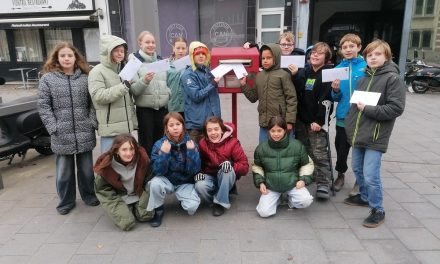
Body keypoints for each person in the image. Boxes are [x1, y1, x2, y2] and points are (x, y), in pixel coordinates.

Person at [344, 39, 405, 228]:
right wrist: (349, 124)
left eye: (377, 54)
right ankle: (364, 197)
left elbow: (396, 108)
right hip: (358, 133)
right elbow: (355, 107)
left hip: (376, 136)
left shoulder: (393, 79)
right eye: (369, 55)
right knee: (357, 169)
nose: (372, 57)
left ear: (386, 56)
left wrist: (368, 109)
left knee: (371, 175)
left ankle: (378, 209)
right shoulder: (364, 77)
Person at [38, 42, 99, 215]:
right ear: (57, 58)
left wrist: (92, 122)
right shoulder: (47, 79)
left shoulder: (86, 77)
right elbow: (43, 106)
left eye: (69, 55)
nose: (66, 58)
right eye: (62, 55)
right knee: (64, 172)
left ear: (75, 58)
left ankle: (89, 195)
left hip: (84, 130)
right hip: (61, 133)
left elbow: (93, 103)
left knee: (86, 170)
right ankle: (66, 201)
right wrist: (53, 127)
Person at [147, 112, 201, 227]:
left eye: (178, 124)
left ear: (183, 126)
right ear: (166, 128)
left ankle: (184, 196)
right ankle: (158, 210)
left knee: (192, 207)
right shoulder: (159, 144)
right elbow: (157, 171)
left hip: (184, 182)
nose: (175, 128)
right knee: (155, 183)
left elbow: (194, 170)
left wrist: (191, 152)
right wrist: (164, 153)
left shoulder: (191, 143)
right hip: (167, 180)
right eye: (171, 125)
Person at [253, 116, 314, 217]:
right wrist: (260, 183)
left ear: (285, 130)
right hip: (271, 186)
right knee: (264, 212)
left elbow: (307, 164)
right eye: (273, 131)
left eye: (279, 130)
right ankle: (277, 200)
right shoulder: (261, 148)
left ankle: (291, 200)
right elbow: (257, 167)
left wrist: (303, 180)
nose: (276, 134)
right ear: (268, 131)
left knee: (306, 200)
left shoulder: (297, 146)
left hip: (292, 184)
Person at [294, 42, 334, 199]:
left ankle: (323, 183)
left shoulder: (327, 74)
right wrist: (295, 75)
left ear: (326, 57)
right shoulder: (305, 71)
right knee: (304, 152)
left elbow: (327, 100)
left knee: (319, 154)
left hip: (316, 123)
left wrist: (319, 121)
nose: (315, 55)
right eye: (313, 53)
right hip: (301, 121)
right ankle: (308, 176)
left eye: (320, 53)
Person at [94, 134, 154, 231]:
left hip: (138, 193)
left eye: (131, 149)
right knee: (127, 223)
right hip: (120, 196)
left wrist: (144, 196)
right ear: (117, 150)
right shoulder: (106, 166)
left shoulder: (142, 159)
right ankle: (128, 208)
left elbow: (149, 180)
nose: (129, 153)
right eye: (124, 149)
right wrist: (115, 202)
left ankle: (135, 206)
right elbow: (102, 190)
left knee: (146, 215)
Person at [330, 34, 367, 193]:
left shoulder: (367, 67)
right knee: (341, 149)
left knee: (361, 149)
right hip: (343, 116)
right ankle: (340, 175)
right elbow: (334, 97)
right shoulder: (338, 69)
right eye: (344, 47)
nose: (348, 49)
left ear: (359, 47)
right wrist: (335, 90)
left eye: (352, 46)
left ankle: (360, 181)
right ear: (340, 50)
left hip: (362, 116)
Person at [88, 35, 137, 153]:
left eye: (122, 51)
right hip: (111, 130)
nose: (120, 54)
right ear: (107, 51)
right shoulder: (97, 71)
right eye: (116, 51)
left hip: (126, 128)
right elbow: (98, 96)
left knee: (125, 163)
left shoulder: (122, 70)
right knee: (109, 165)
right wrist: (124, 86)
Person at [239, 43, 297, 142]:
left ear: (276, 57)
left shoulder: (283, 75)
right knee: (264, 150)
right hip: (264, 123)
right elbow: (253, 97)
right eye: (263, 58)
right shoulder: (259, 76)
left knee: (284, 152)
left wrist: (289, 121)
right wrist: (244, 86)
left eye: (269, 58)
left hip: (281, 123)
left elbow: (291, 99)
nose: (265, 61)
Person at [194, 116, 249, 216]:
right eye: (209, 130)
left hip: (226, 177)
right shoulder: (203, 143)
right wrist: (199, 173)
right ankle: (216, 198)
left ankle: (220, 203)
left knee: (226, 171)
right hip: (210, 175)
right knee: (199, 184)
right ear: (206, 132)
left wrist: (232, 165)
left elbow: (245, 167)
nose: (213, 133)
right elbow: (200, 163)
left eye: (216, 129)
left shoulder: (233, 143)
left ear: (222, 130)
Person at [130, 31, 170, 155]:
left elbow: (167, 82)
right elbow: (134, 90)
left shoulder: (161, 61)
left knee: (161, 144)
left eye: (153, 42)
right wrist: (145, 80)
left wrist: (168, 93)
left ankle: (159, 171)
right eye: (147, 42)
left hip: (162, 110)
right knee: (146, 145)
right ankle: (147, 172)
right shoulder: (133, 62)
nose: (151, 45)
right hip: (145, 111)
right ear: (140, 44)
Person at [181, 41, 221, 143]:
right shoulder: (188, 74)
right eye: (197, 54)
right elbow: (196, 96)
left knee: (211, 155)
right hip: (196, 126)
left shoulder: (209, 71)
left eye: (203, 53)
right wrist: (212, 84)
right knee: (195, 155)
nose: (201, 56)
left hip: (211, 124)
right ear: (192, 56)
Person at [167, 37, 188, 118]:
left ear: (186, 49)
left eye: (183, 48)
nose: (180, 51)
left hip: (187, 107)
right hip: (172, 106)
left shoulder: (191, 65)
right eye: (178, 48)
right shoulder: (167, 65)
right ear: (173, 48)